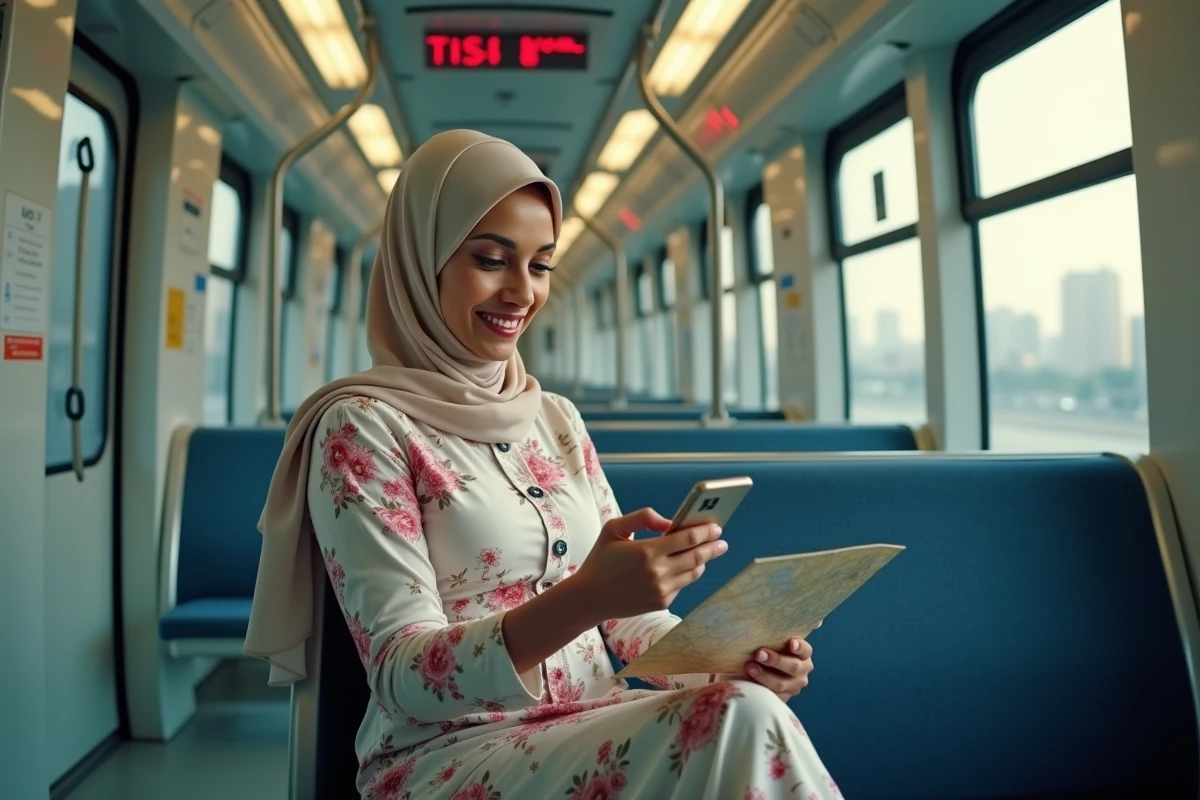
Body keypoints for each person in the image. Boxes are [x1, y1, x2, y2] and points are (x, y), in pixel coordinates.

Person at [245, 129, 840, 800]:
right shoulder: (362, 426)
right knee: (742, 723)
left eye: (541, 265)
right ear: (422, 262)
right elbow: (403, 675)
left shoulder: (554, 417)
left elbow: (627, 623)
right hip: (447, 753)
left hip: (592, 721)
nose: (521, 292)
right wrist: (584, 596)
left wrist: (729, 668)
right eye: (492, 260)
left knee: (745, 705)